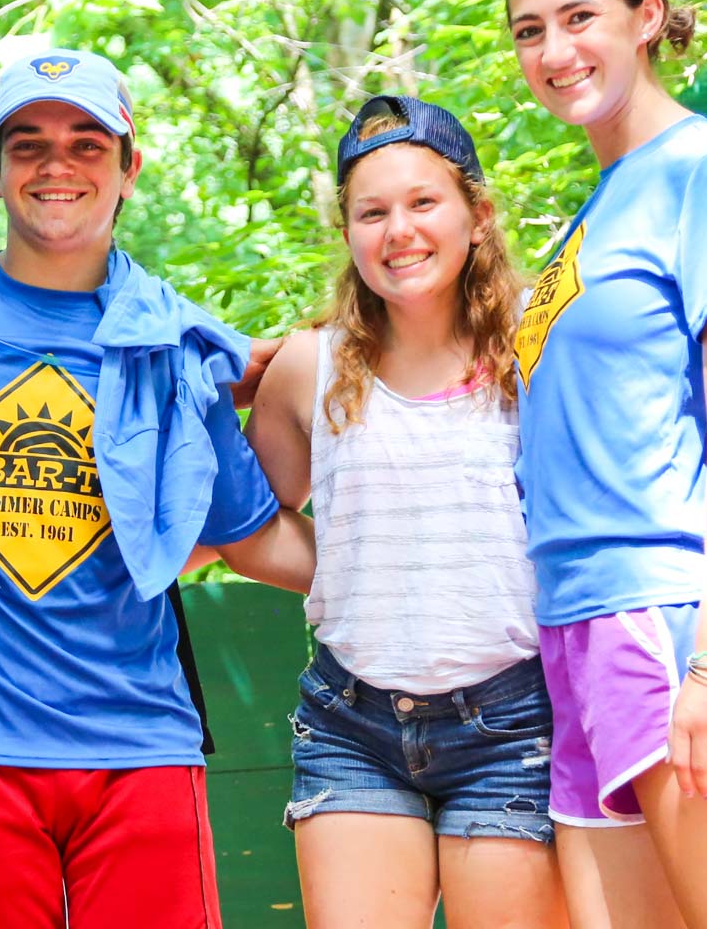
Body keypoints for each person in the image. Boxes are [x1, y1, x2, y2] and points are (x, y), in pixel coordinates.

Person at [0, 47, 299, 928]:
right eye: (27, 144)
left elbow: (255, 537)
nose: (56, 165)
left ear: (128, 168)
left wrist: (437, 563)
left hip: (141, 748)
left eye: (86, 143)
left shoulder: (175, 346)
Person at [498, 0, 707, 929]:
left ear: (645, 16)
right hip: (575, 624)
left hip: (672, 616)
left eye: (578, 17)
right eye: (528, 31)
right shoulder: (595, 212)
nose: (554, 52)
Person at [228, 94, 573, 927]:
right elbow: (247, 528)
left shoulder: (539, 344)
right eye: (370, 212)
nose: (398, 230)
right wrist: (358, 564)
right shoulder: (311, 364)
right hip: (354, 724)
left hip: (512, 724)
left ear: (477, 216)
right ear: (347, 232)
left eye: (423, 203)